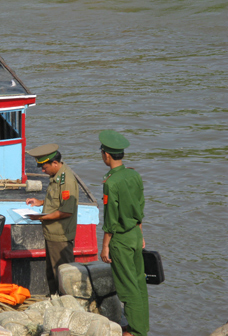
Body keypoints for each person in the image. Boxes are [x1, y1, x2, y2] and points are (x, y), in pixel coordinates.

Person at [98, 130, 149, 336]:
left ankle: (136, 332)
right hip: (135, 235)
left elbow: (111, 218)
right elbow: (140, 207)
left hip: (121, 239)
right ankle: (142, 327)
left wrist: (105, 246)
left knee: (128, 288)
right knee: (139, 282)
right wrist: (141, 234)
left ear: (106, 156)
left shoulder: (111, 182)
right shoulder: (134, 175)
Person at [25, 144, 79, 295]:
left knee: (62, 276)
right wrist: (41, 202)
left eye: (44, 167)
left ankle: (65, 306)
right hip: (51, 233)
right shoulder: (56, 176)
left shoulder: (65, 180)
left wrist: (41, 217)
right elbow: (57, 200)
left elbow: (67, 211)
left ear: (55, 163)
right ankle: (55, 302)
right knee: (52, 273)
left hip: (59, 235)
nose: (43, 170)